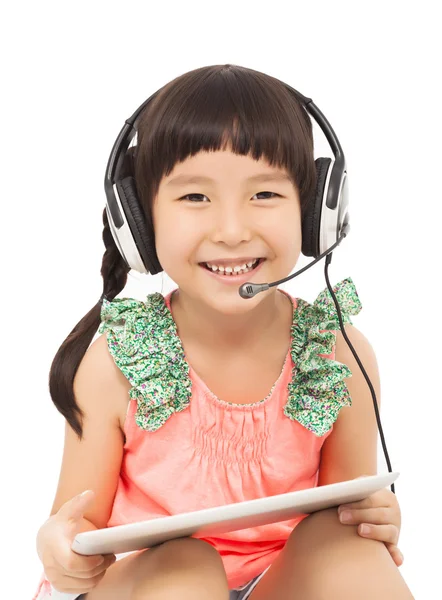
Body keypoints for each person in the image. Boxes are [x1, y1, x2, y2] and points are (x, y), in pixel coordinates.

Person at [32, 64, 413, 600]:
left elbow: (343, 515)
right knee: (187, 567)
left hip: (274, 584)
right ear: (139, 221)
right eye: (194, 198)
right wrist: (62, 547)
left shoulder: (336, 355)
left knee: (347, 545)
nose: (232, 231)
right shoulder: (116, 364)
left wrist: (374, 520)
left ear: (314, 212)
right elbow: (76, 527)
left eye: (264, 195)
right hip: (149, 587)